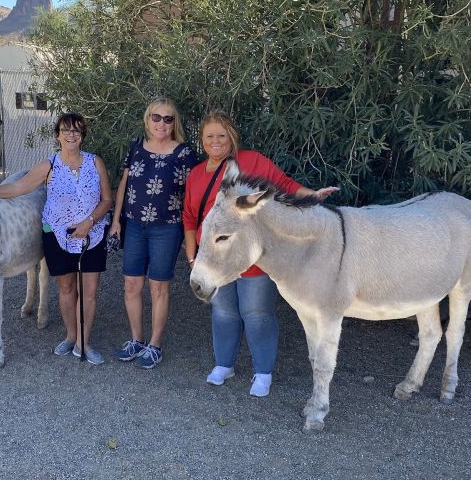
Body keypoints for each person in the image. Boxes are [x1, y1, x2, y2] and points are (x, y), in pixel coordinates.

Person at [183, 111, 338, 396]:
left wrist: (313, 196)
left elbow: (285, 185)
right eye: (209, 137)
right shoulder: (195, 175)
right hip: (215, 261)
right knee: (223, 311)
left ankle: (263, 371)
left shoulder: (252, 162)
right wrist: (194, 258)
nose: (215, 142)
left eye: (221, 135)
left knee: (257, 313)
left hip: (252, 257)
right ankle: (224, 364)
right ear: (201, 140)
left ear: (231, 136)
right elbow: (190, 218)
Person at [0, 113, 113, 364]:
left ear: (82, 135)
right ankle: (71, 335)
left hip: (92, 235)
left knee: (89, 292)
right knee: (66, 288)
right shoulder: (48, 166)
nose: (71, 135)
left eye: (76, 131)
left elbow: (107, 199)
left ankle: (84, 343)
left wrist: (89, 222)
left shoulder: (96, 162)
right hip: (58, 234)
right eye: (66, 130)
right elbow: (17, 188)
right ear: (58, 135)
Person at [109, 98, 198, 369]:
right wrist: (116, 220)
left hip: (167, 227)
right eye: (156, 117)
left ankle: (155, 344)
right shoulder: (136, 146)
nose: (161, 123)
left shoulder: (184, 153)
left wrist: (189, 234)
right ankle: (136, 340)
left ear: (175, 123)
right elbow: (124, 183)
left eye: (168, 119)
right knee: (131, 285)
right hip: (134, 225)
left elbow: (192, 195)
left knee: (158, 286)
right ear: (148, 119)